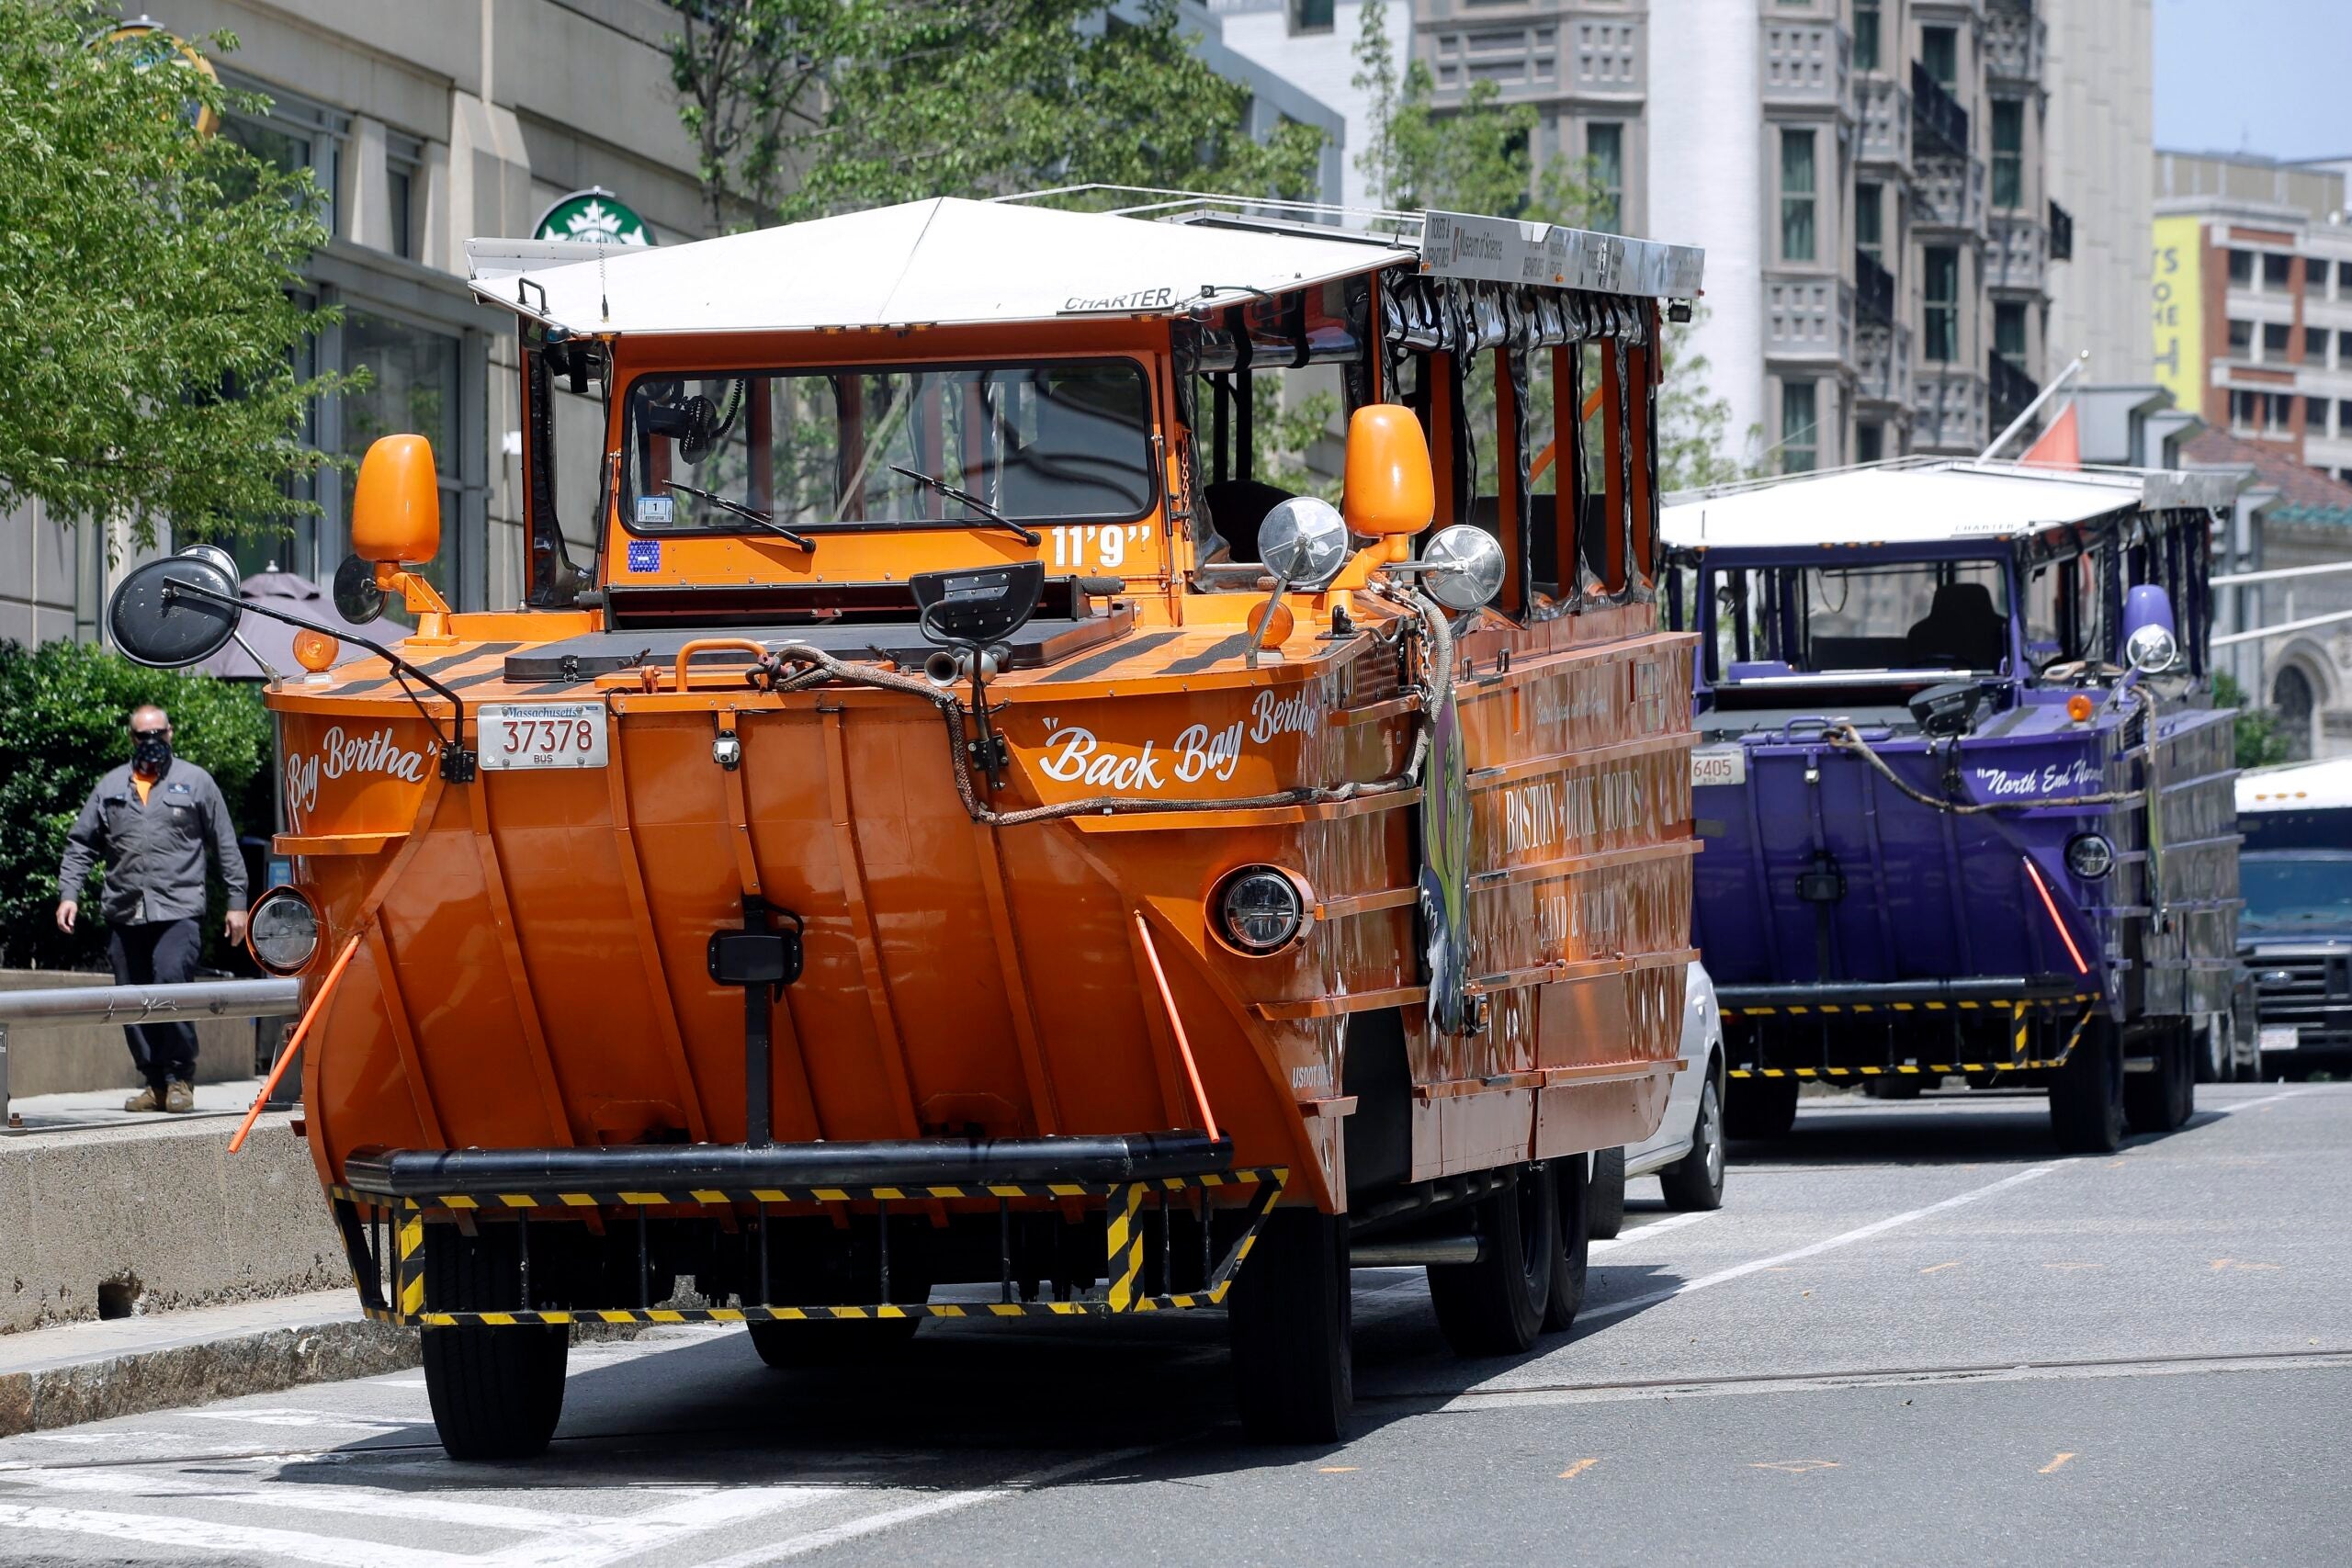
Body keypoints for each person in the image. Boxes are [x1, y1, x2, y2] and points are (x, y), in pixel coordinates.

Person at [55, 705, 249, 1113]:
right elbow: (81, 844)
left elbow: (225, 843)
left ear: (170, 734)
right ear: (132, 739)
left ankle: (180, 1078)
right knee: (130, 998)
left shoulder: (196, 782)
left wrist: (237, 904)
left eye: (157, 734)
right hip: (125, 911)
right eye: (143, 736)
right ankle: (155, 1083)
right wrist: (69, 893)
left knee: (170, 982)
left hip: (178, 908)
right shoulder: (111, 785)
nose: (151, 742)